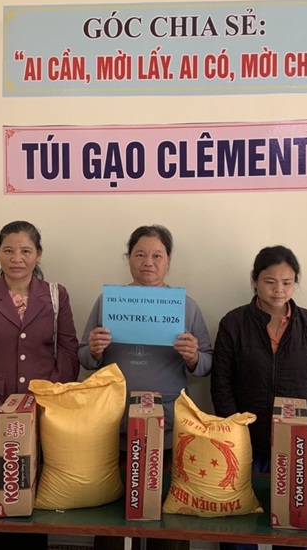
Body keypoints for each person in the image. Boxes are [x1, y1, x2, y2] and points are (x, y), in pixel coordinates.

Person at [78, 224, 213, 550]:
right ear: (129, 258)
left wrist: (193, 357)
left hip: (167, 428)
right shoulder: (108, 301)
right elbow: (83, 357)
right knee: (111, 517)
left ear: (168, 261)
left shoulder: (186, 307)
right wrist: (94, 350)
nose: (148, 262)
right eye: (140, 254)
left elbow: (207, 364)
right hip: (114, 426)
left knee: (166, 520)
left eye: (157, 255)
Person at [0, 220, 79, 550]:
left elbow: (68, 351)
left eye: (26, 250)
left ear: (39, 254)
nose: (17, 258)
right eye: (8, 250)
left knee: (33, 499)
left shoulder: (56, 295)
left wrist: (46, 401)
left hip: (42, 413)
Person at [210, 245, 307, 550]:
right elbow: (221, 383)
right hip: (244, 445)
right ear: (255, 280)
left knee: (293, 530)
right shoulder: (233, 324)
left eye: (287, 282)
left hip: (298, 445)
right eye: (270, 281)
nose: (279, 290)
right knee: (240, 530)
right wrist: (235, 433)